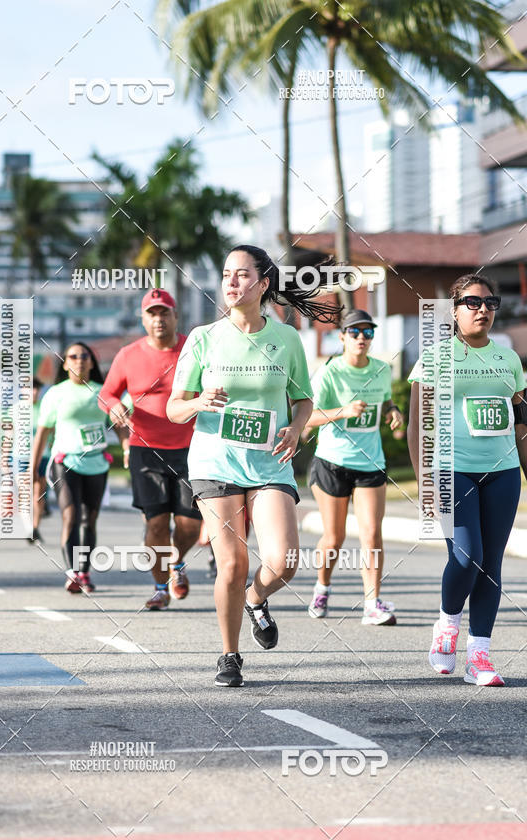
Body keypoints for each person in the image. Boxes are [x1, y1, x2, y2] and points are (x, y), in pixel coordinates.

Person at [167, 244, 340, 687]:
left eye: (242, 274)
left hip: (269, 462)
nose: (231, 282)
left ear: (263, 284)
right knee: (232, 562)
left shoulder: (286, 339)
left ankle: (255, 598)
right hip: (214, 460)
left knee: (284, 561)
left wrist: (297, 428)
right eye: (226, 274)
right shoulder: (204, 338)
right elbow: (173, 408)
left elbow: (303, 399)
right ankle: (229, 655)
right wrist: (198, 402)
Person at [408, 274, 527, 686]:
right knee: (467, 555)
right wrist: (424, 481)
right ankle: (446, 623)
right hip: (450, 470)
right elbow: (418, 425)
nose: (482, 310)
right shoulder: (436, 358)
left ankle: (480, 656)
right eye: (472, 302)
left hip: (503, 472)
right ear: (454, 310)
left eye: (489, 302)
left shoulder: (509, 359)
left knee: (491, 566)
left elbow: (521, 425)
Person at [98, 288, 202, 611]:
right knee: (156, 524)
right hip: (146, 450)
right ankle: (160, 588)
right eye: (152, 314)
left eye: (164, 313)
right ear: (144, 319)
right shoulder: (128, 355)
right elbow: (106, 394)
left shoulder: (193, 349)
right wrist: (114, 407)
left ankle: (177, 561)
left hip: (190, 450)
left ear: (175, 316)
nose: (159, 319)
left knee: (190, 526)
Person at [305, 310, 403, 625]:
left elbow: (386, 400)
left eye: (368, 332)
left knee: (372, 534)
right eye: (355, 331)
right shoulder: (330, 373)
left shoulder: (381, 370)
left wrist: (393, 410)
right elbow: (308, 417)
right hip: (333, 462)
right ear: (343, 337)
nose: (362, 337)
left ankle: (372, 603)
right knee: (334, 537)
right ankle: (322, 587)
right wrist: (343, 411)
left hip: (370, 463)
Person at [32, 342, 121, 593]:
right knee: (70, 515)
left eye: (84, 356)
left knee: (89, 520)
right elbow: (42, 432)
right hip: (66, 462)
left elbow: (119, 422)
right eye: (73, 356)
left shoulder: (103, 392)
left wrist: (126, 448)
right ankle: (72, 572)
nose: (79, 360)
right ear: (65, 363)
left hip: (97, 463)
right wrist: (33, 468)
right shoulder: (56, 393)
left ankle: (84, 571)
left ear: (92, 362)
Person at [30, 377, 51, 544]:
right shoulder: (14, 410)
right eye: (30, 388)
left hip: (43, 456)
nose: (34, 392)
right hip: (21, 457)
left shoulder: (45, 408)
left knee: (39, 493)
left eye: (36, 388)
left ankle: (34, 528)